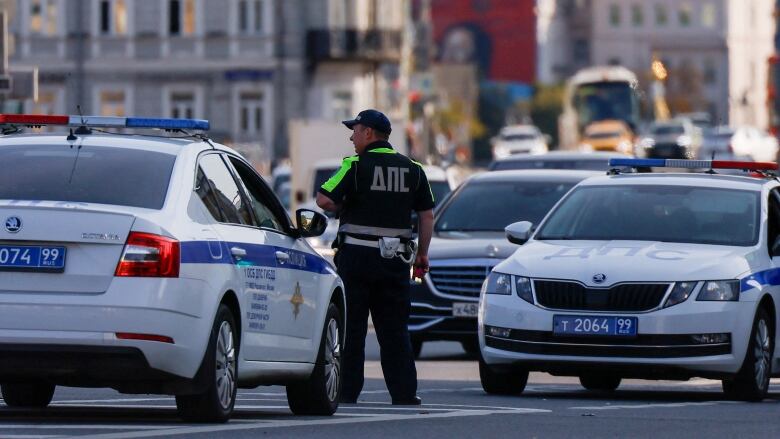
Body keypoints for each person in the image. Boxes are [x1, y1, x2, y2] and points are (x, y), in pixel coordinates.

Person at [316, 109, 435, 405]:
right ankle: (404, 393)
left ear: (368, 133)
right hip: (396, 262)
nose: (351, 137)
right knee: (395, 331)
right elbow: (427, 215)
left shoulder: (355, 165)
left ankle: (347, 393)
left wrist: (345, 206)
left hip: (356, 260)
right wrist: (422, 255)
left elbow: (324, 198)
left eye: (355, 131)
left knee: (352, 330)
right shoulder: (413, 169)